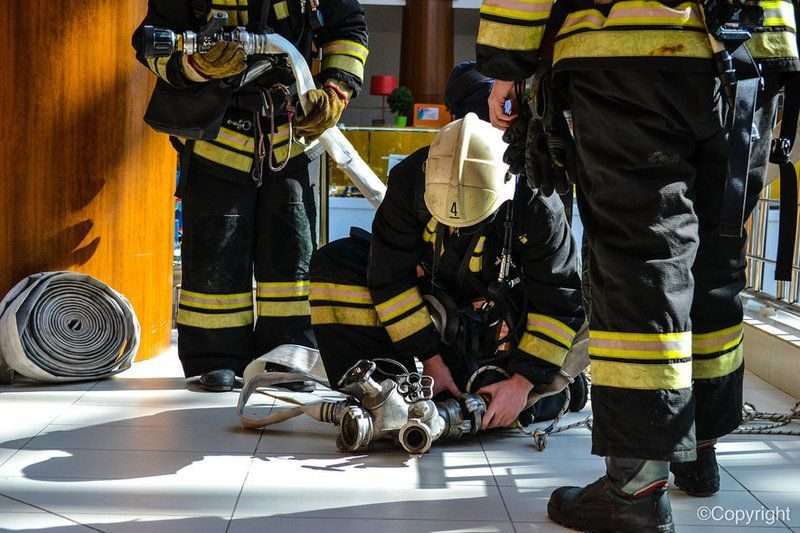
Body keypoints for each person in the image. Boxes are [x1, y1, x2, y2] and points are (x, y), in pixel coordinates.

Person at [475, 0, 799, 530]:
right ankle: (696, 450)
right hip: (751, 50)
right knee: (715, 258)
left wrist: (510, 64)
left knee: (643, 265)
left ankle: (634, 488)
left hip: (627, 50)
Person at [309, 63, 587, 428]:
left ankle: (556, 390)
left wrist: (523, 382)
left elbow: (558, 299)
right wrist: (432, 364)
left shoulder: (535, 200)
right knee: (337, 264)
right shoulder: (410, 180)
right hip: (442, 310)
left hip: (505, 318)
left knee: (496, 399)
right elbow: (388, 279)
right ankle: (381, 388)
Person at [132, 0, 369, 392]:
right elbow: (151, 42)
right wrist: (198, 66)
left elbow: (348, 29)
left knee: (292, 254)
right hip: (217, 135)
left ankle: (289, 356)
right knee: (215, 255)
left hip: (289, 136)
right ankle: (215, 359)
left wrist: (336, 89)